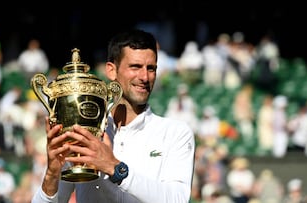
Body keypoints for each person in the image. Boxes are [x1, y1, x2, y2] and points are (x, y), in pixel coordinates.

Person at [31, 29, 195, 203]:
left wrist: (114, 167)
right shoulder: (82, 133)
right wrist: (52, 174)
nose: (145, 77)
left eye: (151, 68)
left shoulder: (176, 133)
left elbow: (178, 199)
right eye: (135, 67)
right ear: (111, 70)